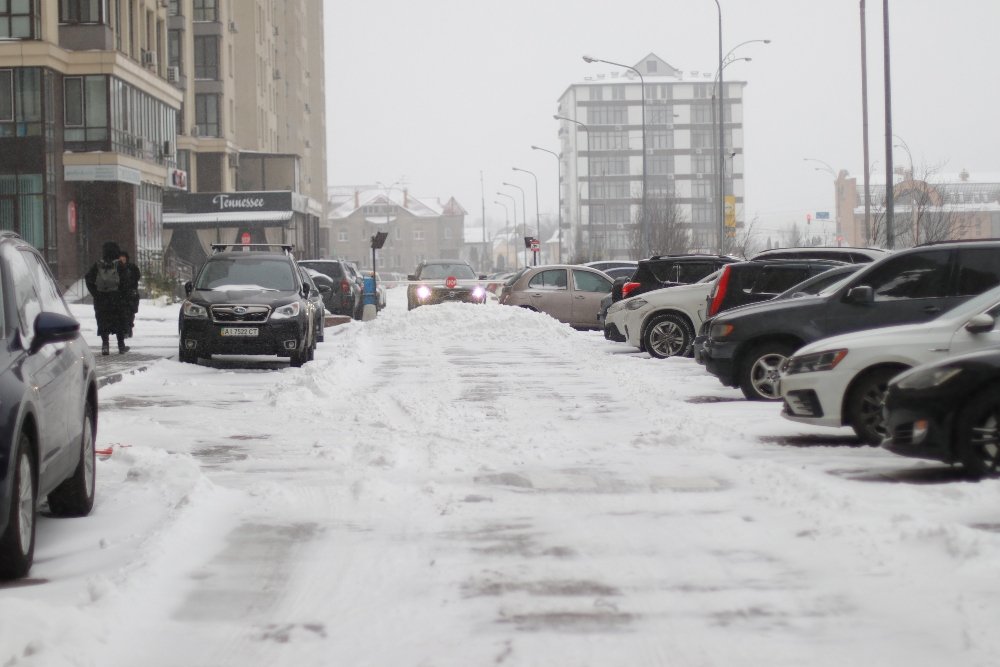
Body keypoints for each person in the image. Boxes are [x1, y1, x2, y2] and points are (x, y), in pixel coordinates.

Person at [85, 241, 130, 355]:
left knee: (102, 321)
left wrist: (95, 293)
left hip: (101, 299)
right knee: (119, 320)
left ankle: (105, 345)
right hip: (116, 298)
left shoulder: (98, 265)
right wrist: (122, 295)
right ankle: (121, 345)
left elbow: (88, 279)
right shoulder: (119, 265)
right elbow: (126, 281)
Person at [119, 250, 141, 338]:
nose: (122, 259)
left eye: (123, 257)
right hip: (121, 294)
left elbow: (137, 277)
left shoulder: (132, 267)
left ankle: (129, 328)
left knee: (130, 313)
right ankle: (125, 330)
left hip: (131, 294)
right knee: (123, 313)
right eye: (120, 257)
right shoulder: (117, 268)